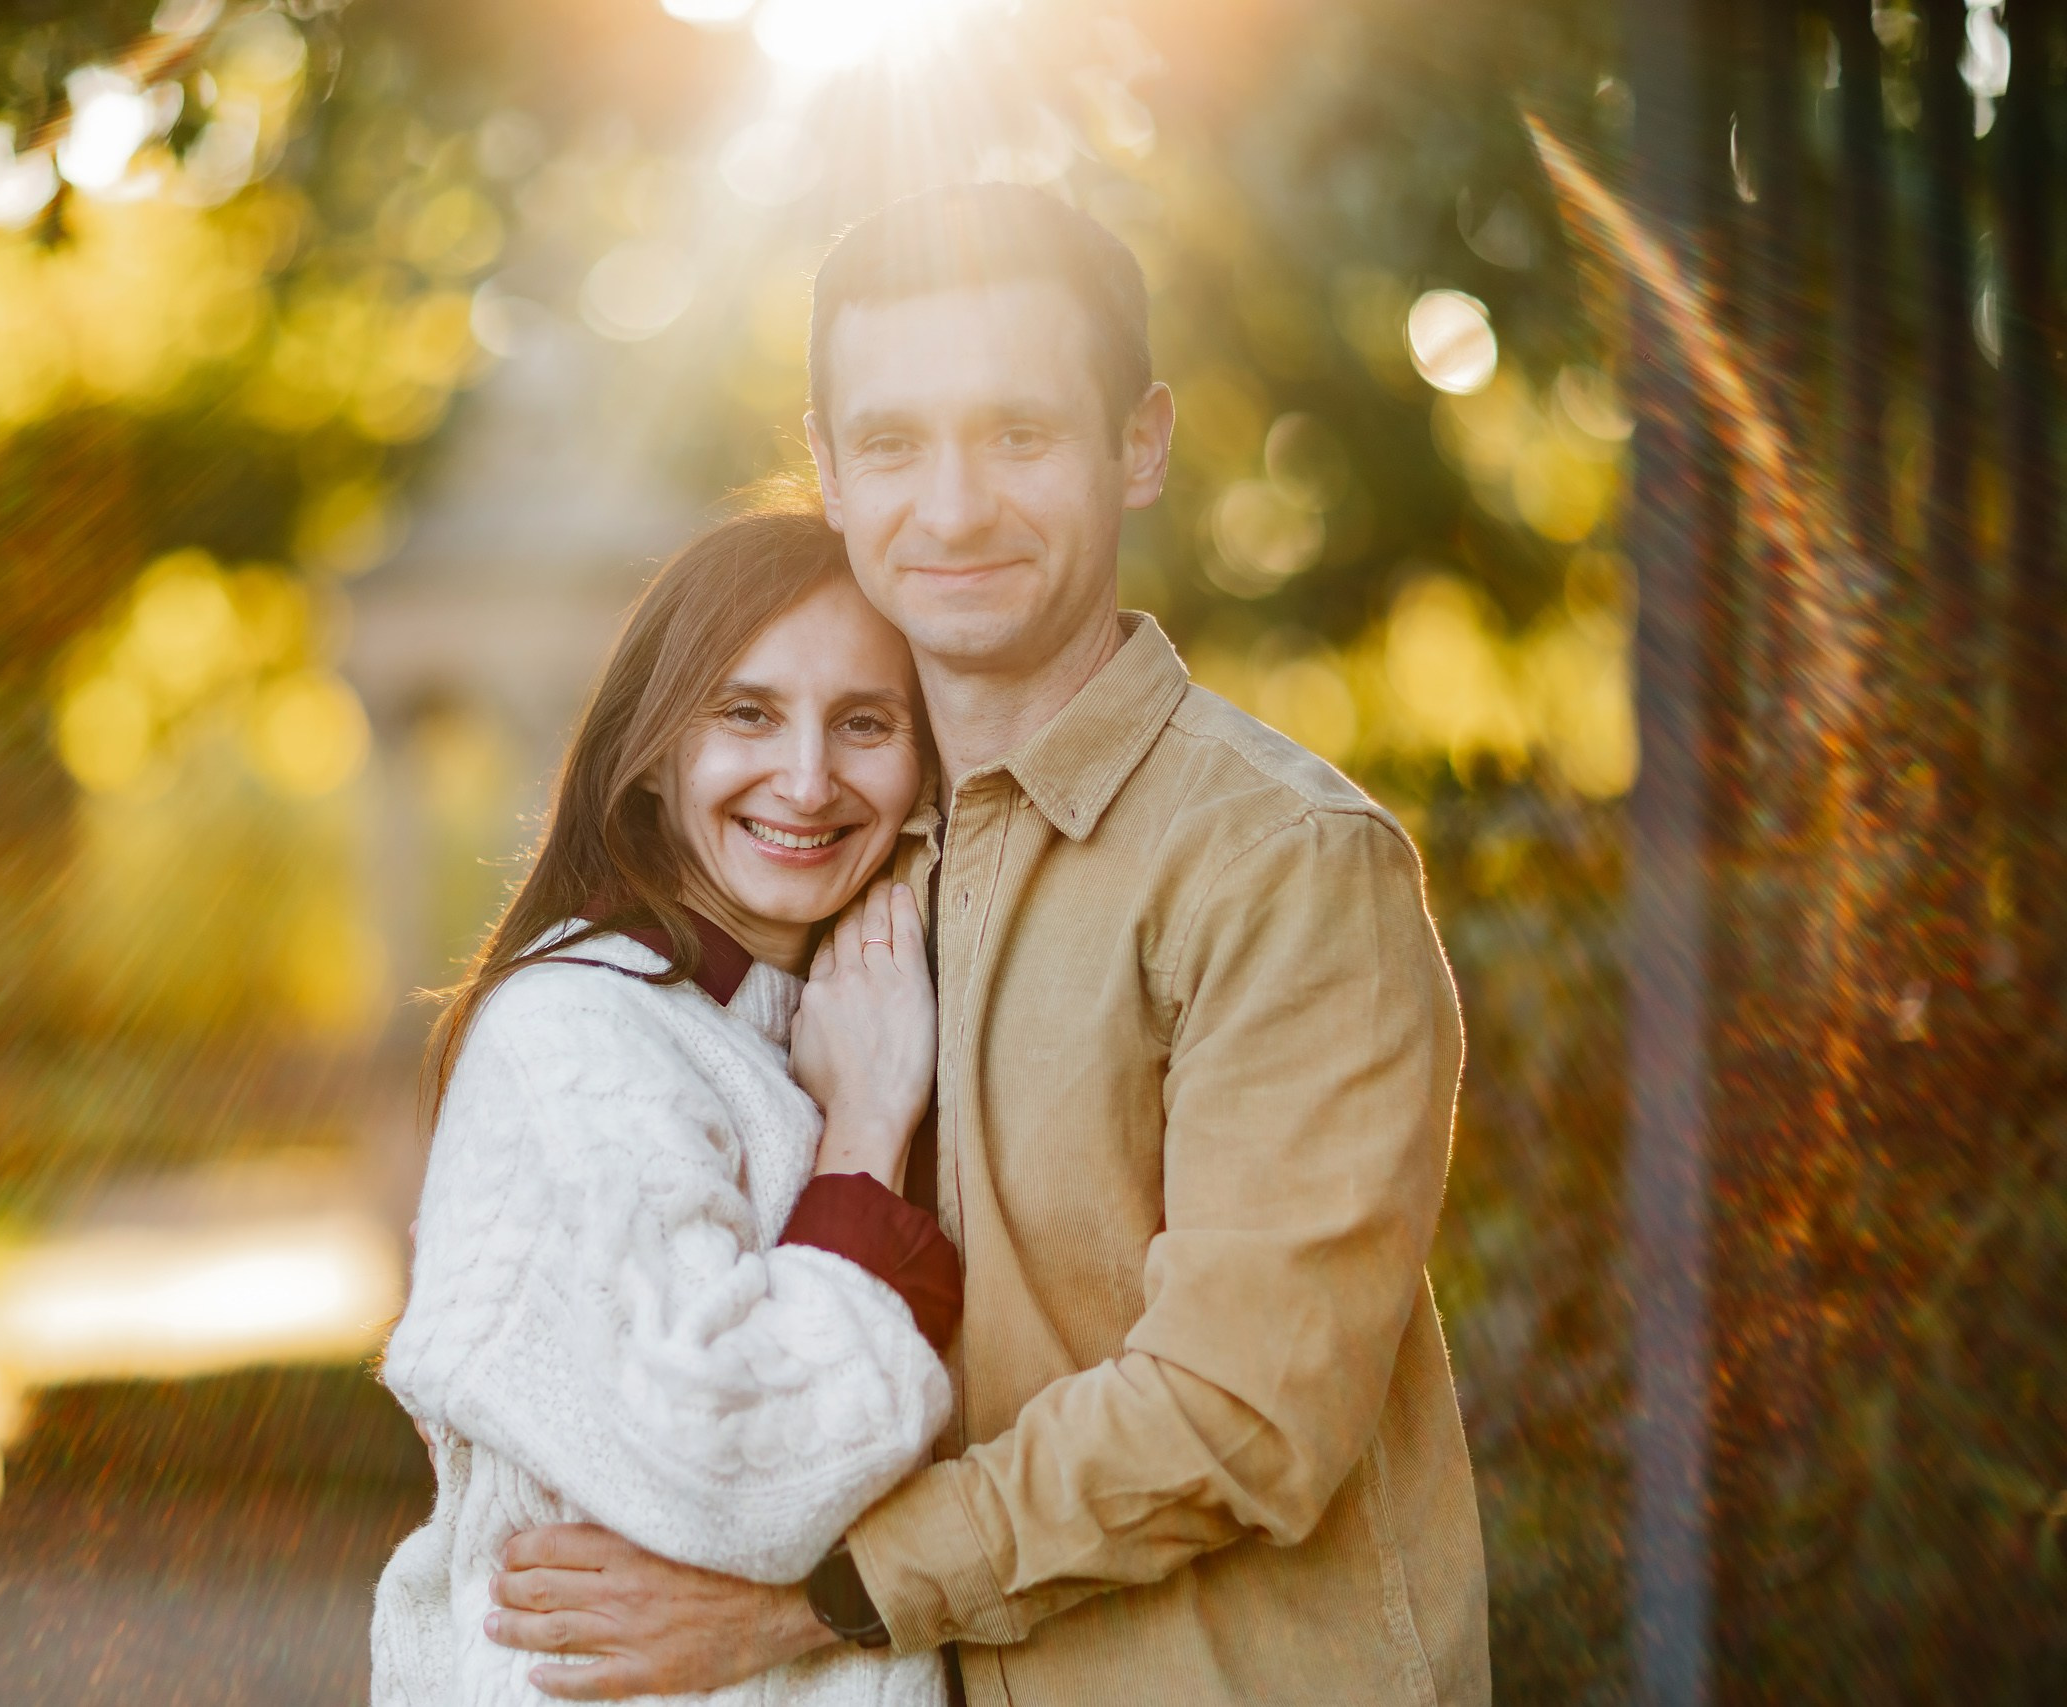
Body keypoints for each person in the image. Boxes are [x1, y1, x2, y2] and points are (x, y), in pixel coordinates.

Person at [484, 184, 1489, 1703]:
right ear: (824, 466)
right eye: (891, 442)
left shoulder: (1282, 867)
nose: (951, 507)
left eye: (1019, 433)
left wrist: (817, 1594)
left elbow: (1246, 1406)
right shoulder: (832, 855)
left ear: (1137, 443)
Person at [372, 506, 977, 1705]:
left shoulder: (796, 1016)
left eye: (864, 722)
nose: (805, 780)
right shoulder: (575, 1034)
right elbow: (724, 1465)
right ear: (651, 747)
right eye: (745, 713)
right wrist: (861, 1137)